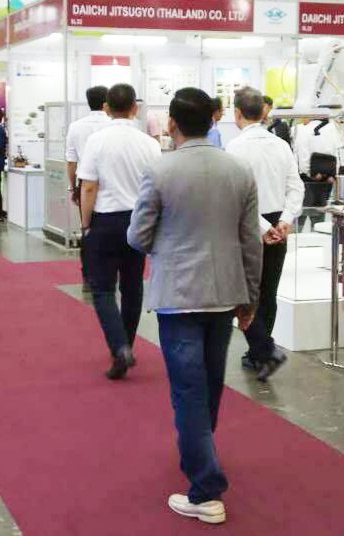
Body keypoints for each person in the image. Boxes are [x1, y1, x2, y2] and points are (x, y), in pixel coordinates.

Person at [127, 87, 262, 524]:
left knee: (188, 391)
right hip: (224, 295)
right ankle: (199, 452)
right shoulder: (239, 170)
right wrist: (251, 298)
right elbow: (251, 243)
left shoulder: (160, 170)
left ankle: (206, 489)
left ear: (172, 123)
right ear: (214, 119)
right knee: (210, 385)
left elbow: (137, 236)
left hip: (179, 296)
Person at [78, 83, 161, 380]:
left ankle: (119, 347)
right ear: (135, 108)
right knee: (132, 287)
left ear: (106, 108)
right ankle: (127, 344)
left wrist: (85, 224)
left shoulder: (96, 141)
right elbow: (157, 187)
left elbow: (89, 186)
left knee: (102, 289)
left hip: (105, 220)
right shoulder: (150, 144)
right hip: (138, 221)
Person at [226, 87, 304, 381]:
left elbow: (236, 197)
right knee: (269, 291)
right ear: (263, 112)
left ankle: (263, 351)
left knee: (243, 293)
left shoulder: (234, 148)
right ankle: (258, 353)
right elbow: (296, 187)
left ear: (237, 113)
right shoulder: (281, 145)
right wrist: (284, 221)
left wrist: (262, 227)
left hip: (250, 225)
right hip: (278, 224)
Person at [65, 86, 111, 291]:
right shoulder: (112, 125)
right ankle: (107, 275)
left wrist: (73, 187)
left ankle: (87, 277)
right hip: (111, 182)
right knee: (109, 227)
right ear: (106, 102)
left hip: (85, 182)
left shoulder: (76, 127)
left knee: (87, 229)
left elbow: (71, 161)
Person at [293, 117, 344, 229]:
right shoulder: (333, 128)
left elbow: (302, 157)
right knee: (318, 218)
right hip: (327, 179)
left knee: (300, 218)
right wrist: (333, 175)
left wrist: (310, 174)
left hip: (307, 179)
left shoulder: (302, 129)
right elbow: (338, 154)